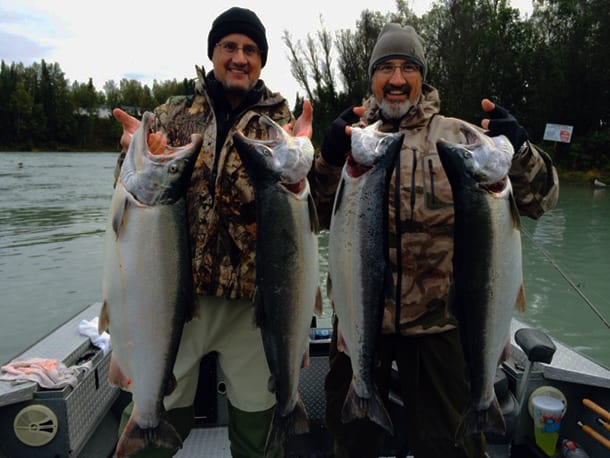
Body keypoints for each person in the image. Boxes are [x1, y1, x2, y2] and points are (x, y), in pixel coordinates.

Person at [310, 23, 559, 458]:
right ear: (372, 76)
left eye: (408, 67)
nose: (396, 79)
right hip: (359, 317)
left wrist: (520, 149)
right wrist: (329, 159)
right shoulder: (353, 140)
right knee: (350, 440)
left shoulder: (462, 138)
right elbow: (309, 212)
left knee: (452, 445)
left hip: (441, 322)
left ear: (422, 76)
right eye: (385, 68)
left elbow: (542, 200)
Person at [112, 7, 312, 458]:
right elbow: (132, 194)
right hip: (175, 300)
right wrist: (131, 152)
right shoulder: (171, 114)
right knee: (150, 418)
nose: (240, 57)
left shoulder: (280, 126)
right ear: (213, 53)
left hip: (254, 305)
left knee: (259, 434)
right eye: (230, 47)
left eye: (251, 50)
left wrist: (317, 154)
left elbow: (309, 201)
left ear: (261, 60)